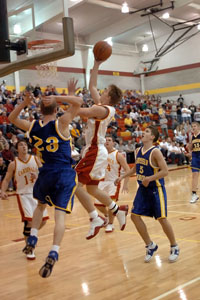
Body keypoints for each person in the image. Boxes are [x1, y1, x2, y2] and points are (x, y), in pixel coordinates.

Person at [8, 79, 83, 278]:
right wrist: (61, 95)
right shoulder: (62, 123)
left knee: (40, 206)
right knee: (60, 216)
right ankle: (54, 251)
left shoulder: (33, 126)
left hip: (46, 172)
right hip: (63, 172)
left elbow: (12, 117)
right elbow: (78, 102)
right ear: (57, 108)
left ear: (40, 109)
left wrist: (24, 103)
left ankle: (32, 238)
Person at [75, 59, 128, 240]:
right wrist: (96, 63)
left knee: (73, 182)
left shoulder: (105, 110)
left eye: (105, 92)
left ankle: (95, 217)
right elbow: (92, 85)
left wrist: (67, 100)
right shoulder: (101, 105)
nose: (101, 92)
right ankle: (117, 210)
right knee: (91, 190)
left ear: (109, 97)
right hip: (94, 150)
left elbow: (83, 112)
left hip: (95, 150)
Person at [115, 126, 179, 263]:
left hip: (156, 189)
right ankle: (150, 245)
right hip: (143, 190)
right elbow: (135, 168)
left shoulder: (155, 152)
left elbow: (165, 171)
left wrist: (149, 178)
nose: (144, 133)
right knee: (134, 216)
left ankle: (174, 246)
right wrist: (122, 177)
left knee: (162, 218)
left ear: (152, 137)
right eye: (144, 131)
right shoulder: (138, 150)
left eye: (147, 132)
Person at [1, 140, 49, 260]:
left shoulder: (35, 159)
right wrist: (2, 191)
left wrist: (38, 177)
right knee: (30, 221)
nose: (24, 147)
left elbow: (45, 174)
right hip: (23, 194)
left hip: (37, 193)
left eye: (25, 145)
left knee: (43, 221)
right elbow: (7, 179)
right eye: (21, 145)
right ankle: (30, 247)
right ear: (17, 149)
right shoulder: (13, 164)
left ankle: (29, 234)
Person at [94, 135, 130, 232]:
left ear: (113, 143)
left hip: (113, 182)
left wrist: (125, 184)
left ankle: (110, 224)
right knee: (97, 204)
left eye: (109, 140)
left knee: (111, 204)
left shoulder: (118, 154)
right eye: (105, 140)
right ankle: (109, 216)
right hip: (101, 182)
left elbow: (127, 169)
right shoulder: (100, 154)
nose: (107, 141)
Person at [188, 122, 200, 203]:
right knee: (194, 175)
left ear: (198, 127)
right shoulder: (192, 136)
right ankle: (194, 194)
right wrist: (189, 143)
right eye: (192, 126)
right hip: (195, 156)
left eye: (194, 126)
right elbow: (190, 148)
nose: (193, 127)